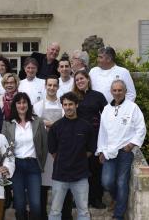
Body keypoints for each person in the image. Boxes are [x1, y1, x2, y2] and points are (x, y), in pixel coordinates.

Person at [96, 80, 146, 220]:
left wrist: (131, 144)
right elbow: (102, 132)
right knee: (106, 182)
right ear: (111, 92)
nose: (117, 93)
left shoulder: (132, 107)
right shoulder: (106, 109)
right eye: (115, 90)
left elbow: (141, 128)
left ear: (124, 91)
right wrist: (101, 150)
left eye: (120, 90)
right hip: (109, 151)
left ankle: (118, 215)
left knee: (121, 182)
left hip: (125, 151)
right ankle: (118, 200)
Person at [48, 92, 95, 220]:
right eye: (65, 104)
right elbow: (52, 151)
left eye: (71, 104)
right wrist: (65, 159)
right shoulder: (56, 127)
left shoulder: (86, 126)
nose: (68, 107)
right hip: (60, 175)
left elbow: (91, 149)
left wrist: (78, 158)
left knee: (83, 211)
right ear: (62, 106)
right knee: (55, 211)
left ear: (76, 105)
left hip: (80, 175)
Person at [2, 92, 48, 220]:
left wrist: (40, 164)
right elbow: (3, 147)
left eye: (24, 102)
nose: (22, 105)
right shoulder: (8, 123)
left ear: (28, 104)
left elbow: (44, 145)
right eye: (19, 103)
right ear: (14, 105)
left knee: (35, 204)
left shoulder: (37, 121)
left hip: (33, 166)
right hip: (16, 166)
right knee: (20, 204)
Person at [34, 76, 73, 220]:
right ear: (45, 86)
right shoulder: (38, 106)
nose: (51, 88)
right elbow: (36, 125)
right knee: (43, 187)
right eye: (49, 85)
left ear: (58, 87)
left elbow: (68, 121)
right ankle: (43, 215)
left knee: (63, 185)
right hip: (44, 150)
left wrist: (52, 125)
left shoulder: (63, 105)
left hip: (61, 150)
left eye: (54, 85)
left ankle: (65, 215)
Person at [72, 70, 108, 209]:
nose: (79, 81)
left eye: (82, 78)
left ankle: (95, 198)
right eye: (77, 80)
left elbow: (107, 116)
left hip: (95, 137)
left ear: (88, 79)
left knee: (95, 169)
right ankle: (79, 199)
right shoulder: (73, 97)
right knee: (79, 170)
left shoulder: (98, 96)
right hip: (78, 138)